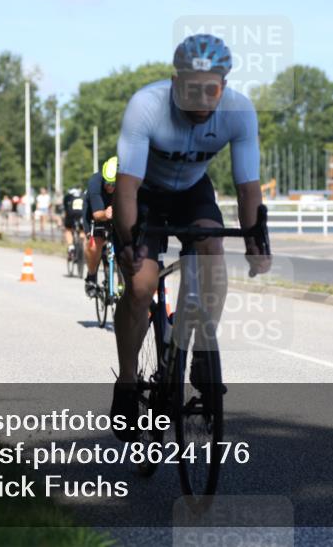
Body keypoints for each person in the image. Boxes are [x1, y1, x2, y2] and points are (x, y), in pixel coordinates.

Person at [109, 34, 272, 440]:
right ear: (174, 81)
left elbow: (248, 188)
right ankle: (127, 381)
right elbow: (126, 187)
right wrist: (129, 244)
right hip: (145, 194)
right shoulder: (147, 106)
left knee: (212, 246)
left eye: (211, 90)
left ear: (225, 86)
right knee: (142, 286)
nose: (201, 100)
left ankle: (201, 354)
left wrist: (255, 243)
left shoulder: (238, 112)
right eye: (191, 89)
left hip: (192, 193)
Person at [83, 157, 118, 295]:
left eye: (114, 184)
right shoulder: (95, 182)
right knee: (94, 245)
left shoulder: (126, 183)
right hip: (95, 212)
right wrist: (106, 213)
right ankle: (91, 277)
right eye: (107, 183)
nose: (110, 187)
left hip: (115, 211)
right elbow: (97, 215)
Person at [62, 185, 85, 260]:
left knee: (68, 229)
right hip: (82, 215)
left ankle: (71, 246)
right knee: (83, 230)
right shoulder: (83, 194)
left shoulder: (68, 196)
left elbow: (66, 209)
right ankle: (82, 241)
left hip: (71, 216)